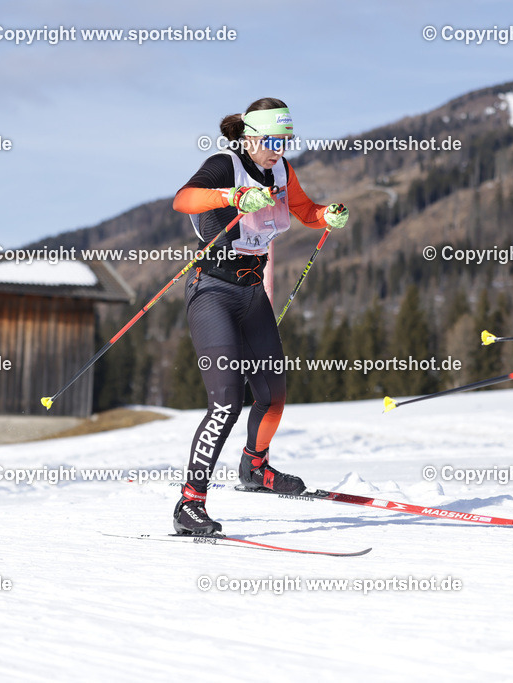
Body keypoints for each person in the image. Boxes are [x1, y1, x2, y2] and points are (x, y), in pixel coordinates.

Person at [170, 97, 349, 535]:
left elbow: (303, 209)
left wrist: (325, 215)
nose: (278, 148)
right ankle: (189, 504)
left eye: (285, 140)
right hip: (211, 290)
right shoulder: (223, 165)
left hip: (251, 294)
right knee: (227, 402)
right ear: (249, 136)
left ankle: (255, 467)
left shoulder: (282, 172)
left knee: (272, 394)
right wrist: (233, 196)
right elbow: (183, 200)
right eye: (270, 140)